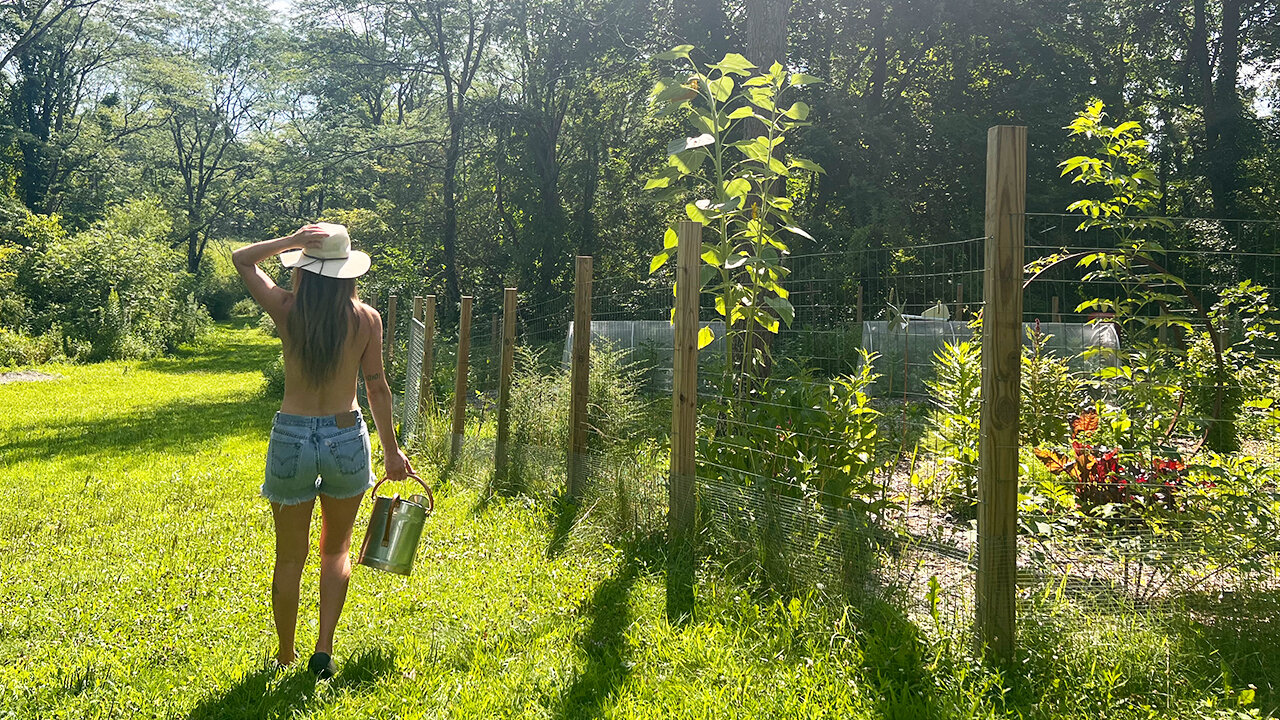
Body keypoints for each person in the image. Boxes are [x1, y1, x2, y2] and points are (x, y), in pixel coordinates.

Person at [232, 222, 412, 679]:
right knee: (336, 552)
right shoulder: (366, 318)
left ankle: (286, 654)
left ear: (305, 268)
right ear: (349, 273)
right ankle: (324, 649)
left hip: (291, 435)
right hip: (344, 436)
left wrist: (290, 241)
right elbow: (378, 389)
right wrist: (392, 452)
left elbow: (242, 259)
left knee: (289, 556)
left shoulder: (287, 309)